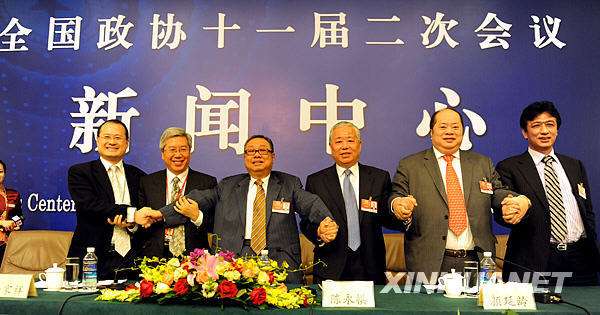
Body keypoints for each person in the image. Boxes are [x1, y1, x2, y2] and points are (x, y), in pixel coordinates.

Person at [137, 135, 338, 283]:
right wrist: (160, 213)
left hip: (279, 263)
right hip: (234, 262)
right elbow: (197, 198)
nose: (257, 155)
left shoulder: (289, 183)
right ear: (244, 157)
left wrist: (325, 221)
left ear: (273, 156)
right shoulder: (228, 185)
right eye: (251, 151)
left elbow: (309, 202)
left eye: (263, 151)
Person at [389, 108, 530, 283]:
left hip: (477, 260)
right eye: (443, 127)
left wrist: (517, 200)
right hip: (430, 262)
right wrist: (398, 204)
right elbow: (396, 194)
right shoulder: (411, 165)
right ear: (431, 133)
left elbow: (497, 191)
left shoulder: (481, 163)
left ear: (463, 132)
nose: (450, 131)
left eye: (455, 127)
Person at [495, 101, 600, 285]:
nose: (544, 131)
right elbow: (503, 212)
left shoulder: (574, 165)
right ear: (524, 132)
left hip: (580, 258)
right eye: (536, 125)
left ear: (557, 129)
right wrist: (513, 212)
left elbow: (587, 211)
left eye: (550, 124)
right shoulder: (509, 167)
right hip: (534, 259)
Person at [302, 121, 399, 284]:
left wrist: (401, 211)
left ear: (359, 145)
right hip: (330, 265)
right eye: (339, 141)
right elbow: (306, 223)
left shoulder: (379, 177)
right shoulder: (316, 181)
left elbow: (388, 217)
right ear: (331, 147)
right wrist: (319, 231)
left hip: (370, 266)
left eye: (350, 140)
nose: (345, 146)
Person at [68, 119, 146, 280]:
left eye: (118, 138)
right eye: (107, 137)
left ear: (127, 143)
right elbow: (90, 205)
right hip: (93, 256)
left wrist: (132, 223)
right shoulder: (80, 172)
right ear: (97, 140)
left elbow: (144, 211)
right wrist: (130, 213)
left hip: (133, 257)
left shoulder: (140, 176)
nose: (112, 142)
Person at [138, 127, 217, 259]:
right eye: (172, 150)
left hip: (195, 258)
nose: (178, 155)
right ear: (163, 153)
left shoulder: (207, 182)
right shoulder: (147, 182)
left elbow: (215, 224)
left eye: (183, 149)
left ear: (190, 152)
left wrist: (197, 217)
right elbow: (142, 224)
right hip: (155, 257)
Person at [0, 160, 23, 266]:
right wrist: (1, 223)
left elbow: (19, 217)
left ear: (4, 174)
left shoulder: (13, 194)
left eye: (0, 171)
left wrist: (15, 224)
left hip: (7, 244)